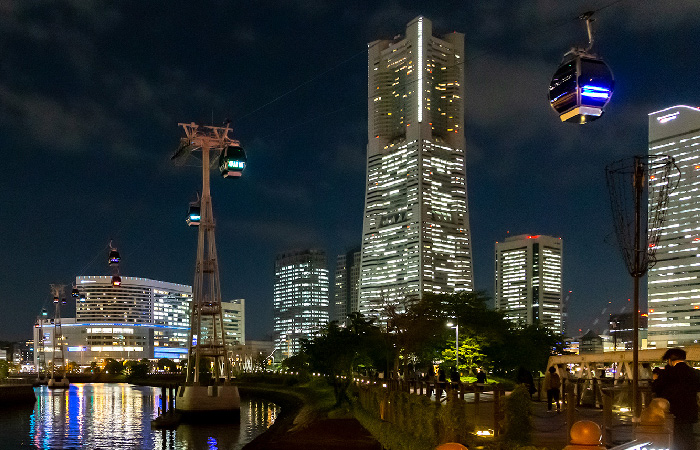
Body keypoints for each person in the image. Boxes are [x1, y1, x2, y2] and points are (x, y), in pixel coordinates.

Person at [652, 347, 700, 450]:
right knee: (688, 437)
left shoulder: (667, 373)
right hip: (690, 411)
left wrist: (655, 379)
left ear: (670, 360)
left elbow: (656, 389)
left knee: (674, 438)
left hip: (672, 411)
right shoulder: (694, 373)